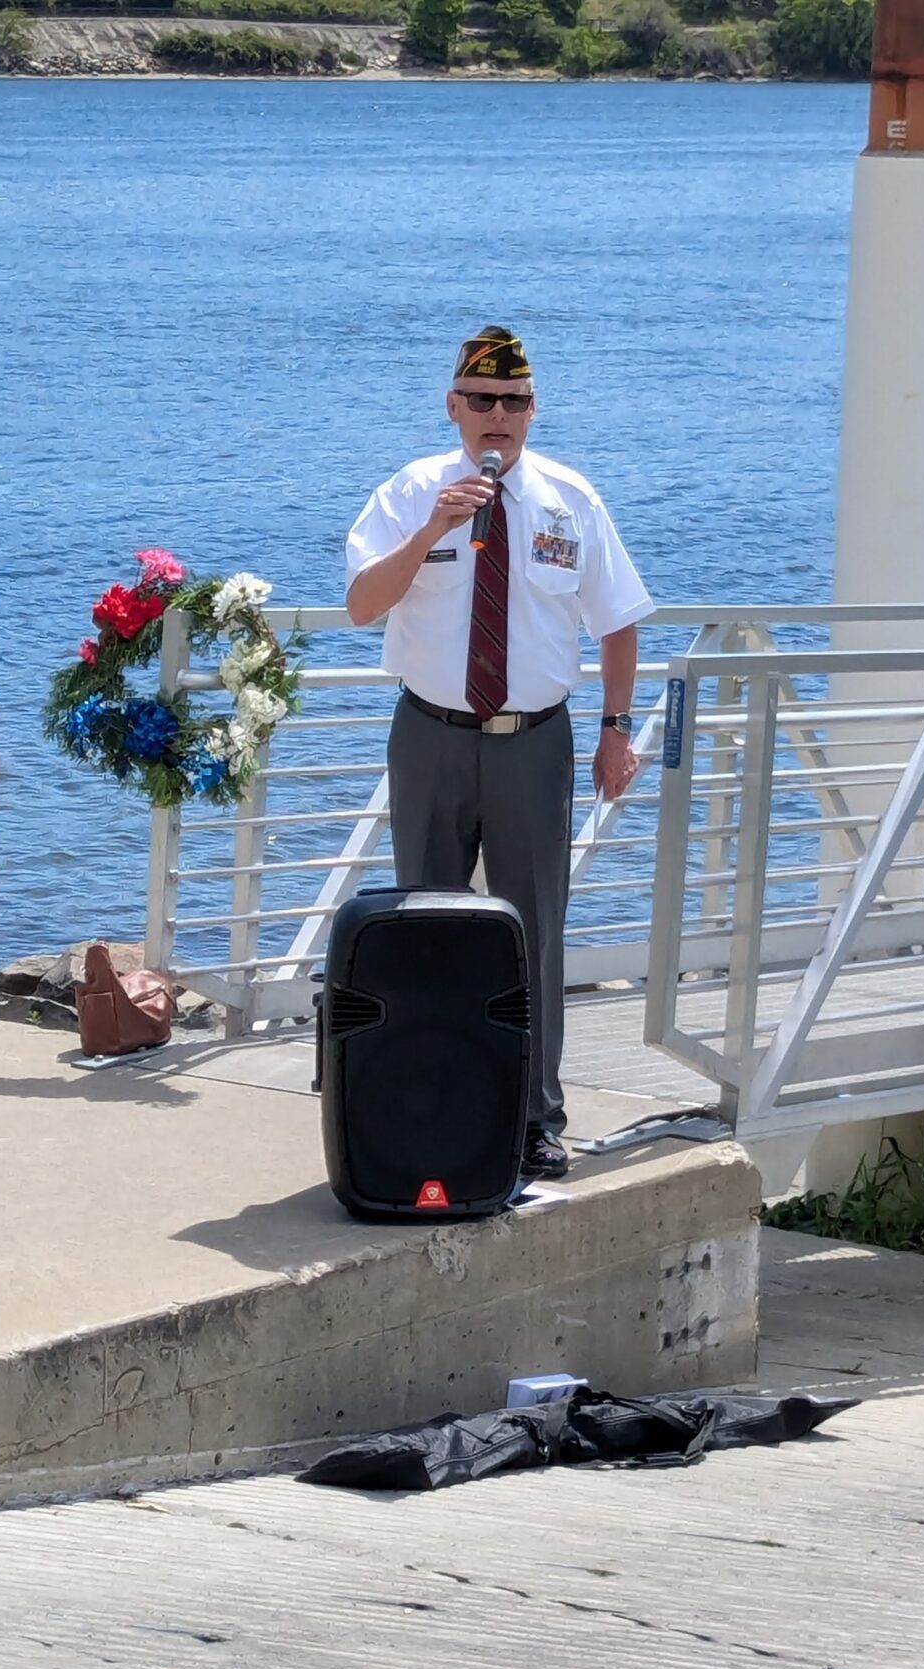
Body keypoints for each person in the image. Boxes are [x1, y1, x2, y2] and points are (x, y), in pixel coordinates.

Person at [343, 328, 653, 1182]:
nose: (498, 417)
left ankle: (534, 1120)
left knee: (534, 935)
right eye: (481, 401)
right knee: (427, 933)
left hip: (533, 743)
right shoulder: (411, 492)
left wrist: (616, 728)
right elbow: (364, 605)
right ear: (453, 407)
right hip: (432, 736)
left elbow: (618, 619)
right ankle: (430, 1104)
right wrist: (433, 527)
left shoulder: (568, 499)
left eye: (514, 403)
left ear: (532, 411)